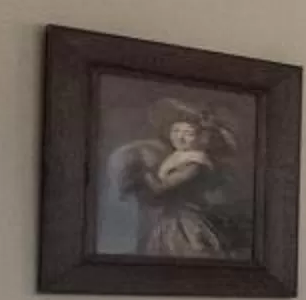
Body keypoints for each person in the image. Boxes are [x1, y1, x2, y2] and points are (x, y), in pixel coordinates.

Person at [104, 101, 244, 258]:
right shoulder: (176, 156)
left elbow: (160, 188)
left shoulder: (195, 162)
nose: (180, 137)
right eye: (176, 130)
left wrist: (142, 173)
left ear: (201, 138)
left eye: (188, 133)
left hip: (186, 223)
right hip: (168, 219)